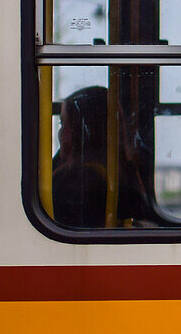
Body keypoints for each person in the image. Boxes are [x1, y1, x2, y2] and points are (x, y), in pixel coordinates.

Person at [51, 86, 152, 228]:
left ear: (81, 132)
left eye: (63, 123)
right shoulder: (125, 171)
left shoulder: (74, 181)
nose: (60, 133)